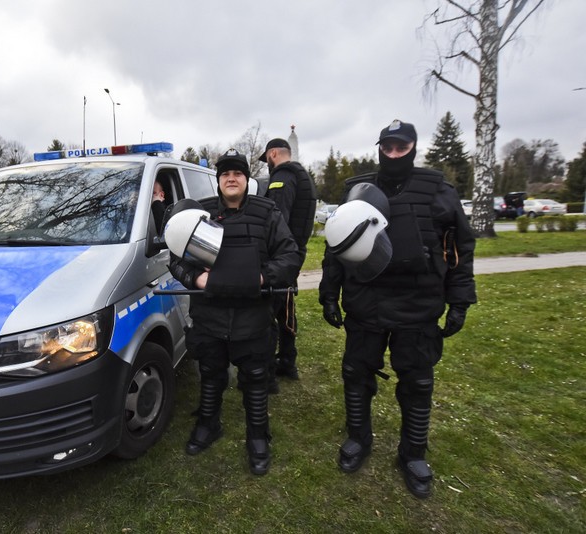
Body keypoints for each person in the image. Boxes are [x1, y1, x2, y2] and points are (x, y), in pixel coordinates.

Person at [318, 119, 477, 499]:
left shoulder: (439, 191)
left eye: (400, 147)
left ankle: (413, 454)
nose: (392, 154)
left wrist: (460, 300)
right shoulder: (357, 192)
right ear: (379, 148)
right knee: (356, 374)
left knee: (418, 382)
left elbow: (460, 248)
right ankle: (359, 438)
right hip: (366, 301)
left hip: (418, 303)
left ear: (413, 148)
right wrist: (329, 293)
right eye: (386, 147)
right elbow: (336, 246)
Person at [168, 148, 300, 475]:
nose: (231, 177)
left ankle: (258, 437)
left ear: (246, 179)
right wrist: (194, 276)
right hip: (210, 315)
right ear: (218, 180)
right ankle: (209, 424)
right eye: (225, 173)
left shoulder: (268, 213)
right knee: (211, 375)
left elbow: (290, 255)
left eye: (237, 173)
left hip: (252, 317)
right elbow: (176, 257)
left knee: (255, 380)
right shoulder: (199, 215)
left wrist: (262, 276)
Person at [259, 138, 317, 383]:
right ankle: (287, 361)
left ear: (273, 154)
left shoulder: (283, 177)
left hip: (281, 255)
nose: (267, 166)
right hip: (294, 253)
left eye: (267, 161)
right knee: (285, 307)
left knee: (267, 312)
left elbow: (276, 219)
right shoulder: (301, 175)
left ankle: (268, 374)